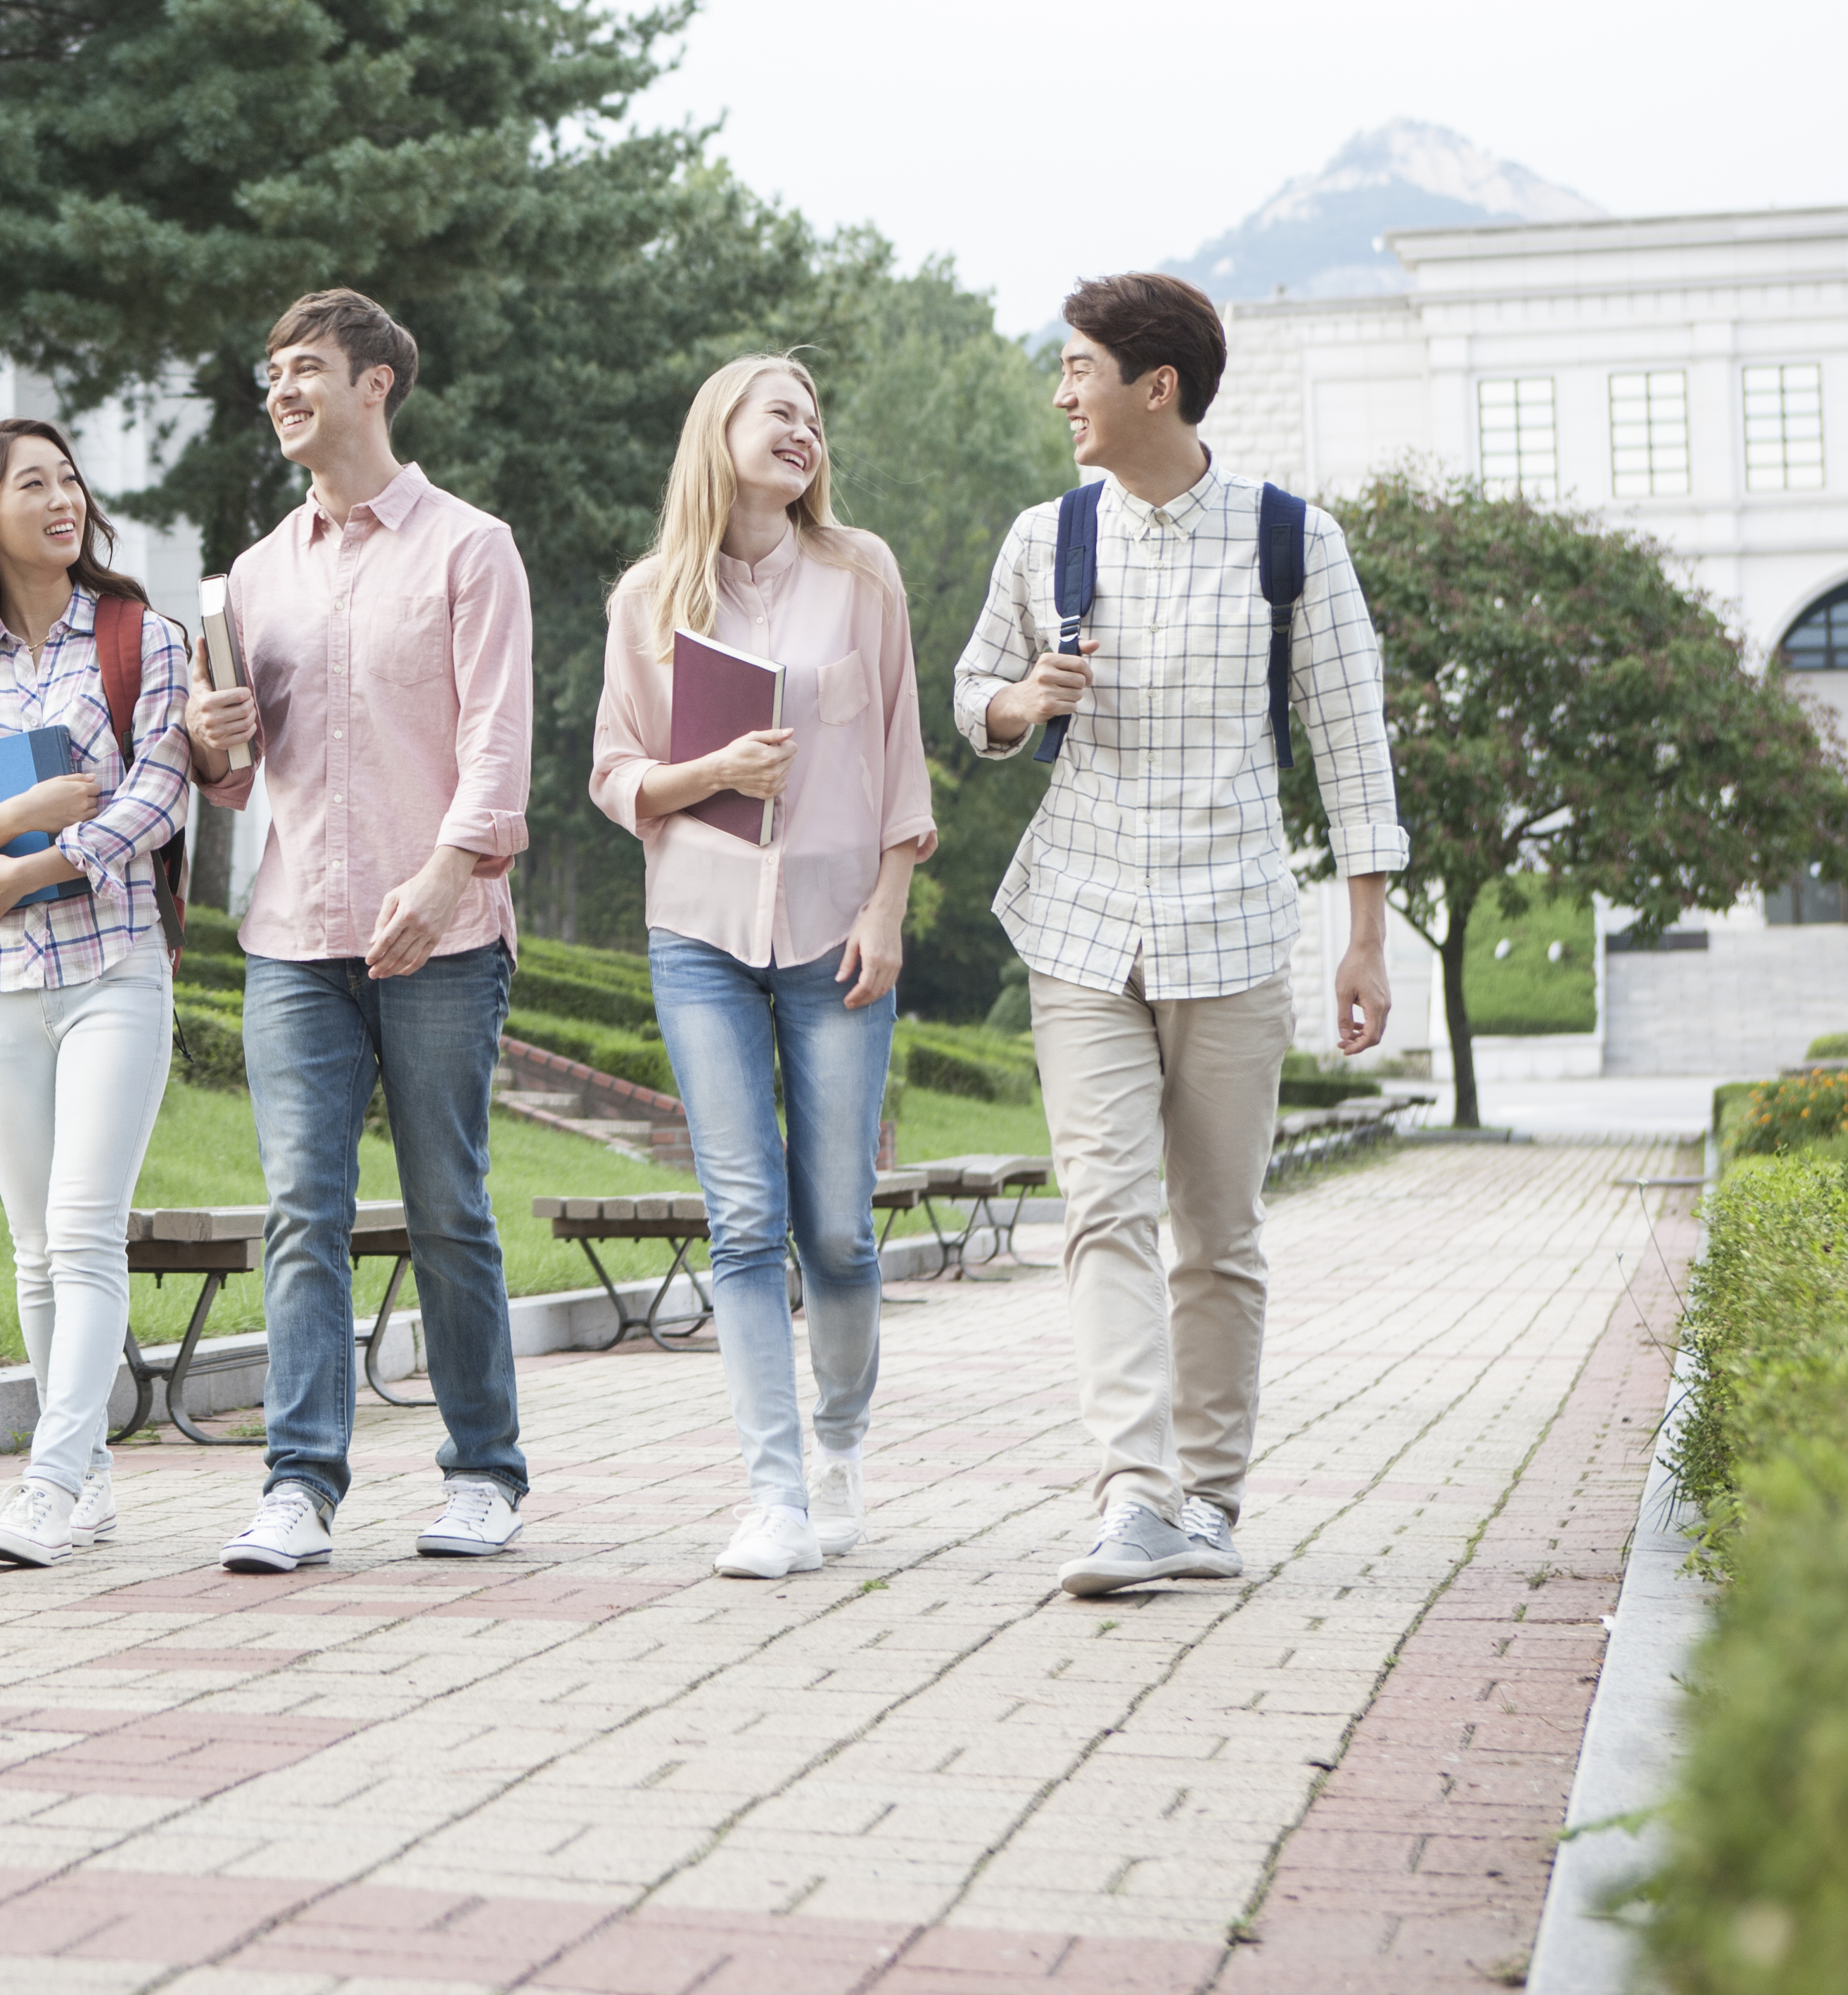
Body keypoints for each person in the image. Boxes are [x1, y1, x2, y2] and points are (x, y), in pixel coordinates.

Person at [950, 273, 1404, 1599]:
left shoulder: (1291, 542)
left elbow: (1351, 741)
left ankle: (1208, 1499)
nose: (1062, 391)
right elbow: (977, 694)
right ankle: (1133, 1497)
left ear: (1159, 385)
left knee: (1218, 1230)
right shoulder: (1047, 539)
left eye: (1080, 366)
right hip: (1080, 921)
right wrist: (1021, 701)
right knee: (1103, 1212)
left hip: (1235, 920)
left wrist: (1364, 938)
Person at [186, 290, 535, 1572]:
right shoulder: (254, 574)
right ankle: (299, 1482)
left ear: (376, 384)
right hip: (293, 937)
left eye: (307, 369)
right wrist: (210, 746)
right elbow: (237, 778)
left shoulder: (470, 548)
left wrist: (447, 880)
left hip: (442, 932)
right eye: (271, 372)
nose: (283, 391)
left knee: (448, 1206)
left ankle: (485, 1472)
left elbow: (498, 739)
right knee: (301, 1211)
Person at [589, 355, 937, 1581]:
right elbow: (616, 773)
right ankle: (773, 1492)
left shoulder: (863, 573)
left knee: (836, 1228)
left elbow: (900, 749)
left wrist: (890, 907)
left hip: (843, 928)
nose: (806, 429)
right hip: (699, 932)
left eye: (814, 416)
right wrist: (714, 776)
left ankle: (840, 1447)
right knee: (742, 1220)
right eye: (779, 410)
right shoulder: (650, 598)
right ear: (718, 430)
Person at [0, 419, 197, 1569]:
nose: (64, 498)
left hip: (115, 968)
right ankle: (95, 1481)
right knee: (32, 1249)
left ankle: (50, 1480)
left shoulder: (141, 637)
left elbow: (159, 796)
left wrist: (40, 866)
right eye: (34, 484)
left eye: (70, 479)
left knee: (83, 1231)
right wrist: (17, 821)